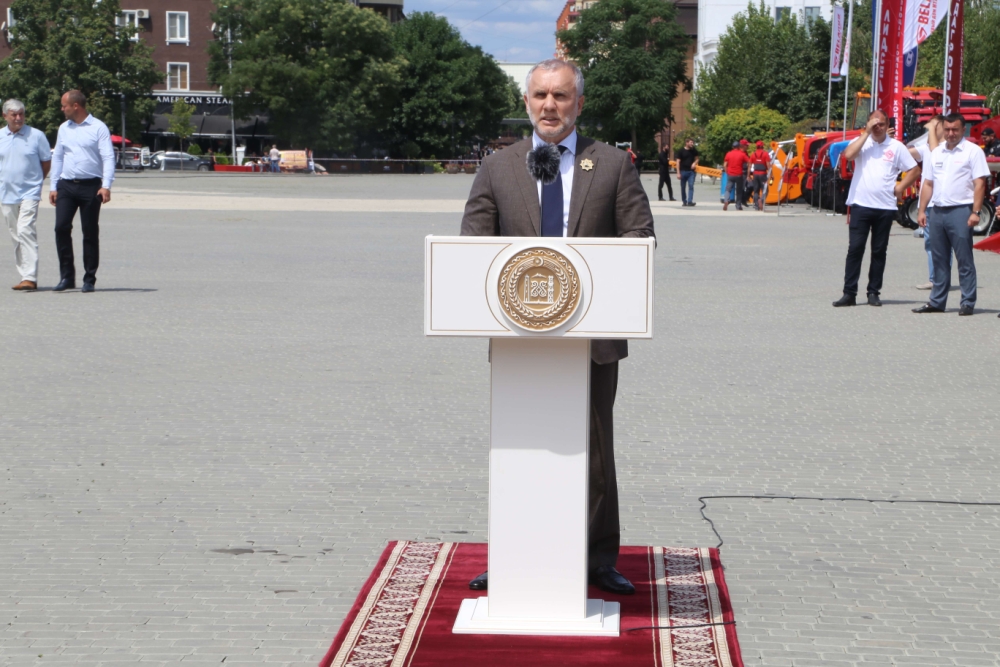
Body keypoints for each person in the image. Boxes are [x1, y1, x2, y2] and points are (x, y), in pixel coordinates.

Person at [460, 58, 654, 596]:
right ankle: (514, 555)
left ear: (579, 104)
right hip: (517, 339)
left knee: (594, 454)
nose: (550, 105)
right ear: (526, 102)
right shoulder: (498, 167)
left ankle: (596, 559)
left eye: (561, 96)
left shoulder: (612, 164)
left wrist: (588, 275)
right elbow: (472, 244)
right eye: (541, 95)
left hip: (591, 339)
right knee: (519, 449)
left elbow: (640, 238)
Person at [832, 110, 918, 307]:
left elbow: (914, 170)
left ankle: (873, 292)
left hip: (885, 206)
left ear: (887, 125)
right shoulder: (863, 142)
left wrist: (900, 188)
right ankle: (849, 293)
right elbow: (848, 155)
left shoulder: (896, 147)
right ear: (868, 124)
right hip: (861, 204)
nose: (877, 127)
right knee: (855, 249)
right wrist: (866, 133)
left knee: (879, 250)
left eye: (881, 124)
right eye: (874, 124)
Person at [913, 113, 991, 316]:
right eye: (947, 129)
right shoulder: (937, 152)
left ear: (963, 129)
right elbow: (928, 183)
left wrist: (975, 212)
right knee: (939, 259)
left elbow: (979, 184)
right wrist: (922, 210)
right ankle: (937, 301)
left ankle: (967, 302)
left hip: (961, 210)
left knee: (964, 259)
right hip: (937, 211)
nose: (950, 133)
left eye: (955, 129)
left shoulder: (973, 151)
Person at [48, 90, 115, 293]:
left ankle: (89, 279)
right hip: (66, 185)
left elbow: (108, 157)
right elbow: (58, 157)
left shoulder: (98, 127)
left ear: (75, 106)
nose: (62, 109)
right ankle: (67, 277)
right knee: (61, 228)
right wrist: (53, 186)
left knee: (90, 232)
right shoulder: (64, 128)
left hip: (91, 187)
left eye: (64, 105)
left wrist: (106, 185)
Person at [0, 99, 51, 291]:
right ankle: (24, 276)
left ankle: (30, 277)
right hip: (6, 193)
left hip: (30, 192)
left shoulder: (36, 136)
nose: (18, 118)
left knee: (25, 230)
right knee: (16, 234)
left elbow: (46, 162)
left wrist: (36, 182)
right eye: (14, 114)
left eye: (21, 114)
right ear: (5, 116)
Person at [911, 116, 944, 291]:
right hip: (928, 202)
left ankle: (939, 279)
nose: (930, 129)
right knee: (930, 242)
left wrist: (931, 128)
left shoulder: (944, 148)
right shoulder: (927, 147)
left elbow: (935, 151)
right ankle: (935, 278)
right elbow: (906, 153)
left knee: (941, 243)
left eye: (934, 125)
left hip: (941, 202)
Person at [722, 141, 750, 211]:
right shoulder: (742, 154)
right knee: (739, 191)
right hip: (739, 174)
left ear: (732, 147)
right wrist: (748, 170)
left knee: (728, 189)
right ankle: (738, 206)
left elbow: (725, 165)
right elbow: (749, 162)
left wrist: (727, 172)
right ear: (739, 147)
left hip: (730, 174)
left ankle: (726, 200)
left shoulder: (728, 154)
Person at [676, 138, 699, 206]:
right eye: (691, 142)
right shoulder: (681, 151)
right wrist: (678, 173)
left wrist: (694, 163)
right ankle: (684, 201)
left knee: (691, 186)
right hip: (683, 171)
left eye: (693, 142)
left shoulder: (694, 150)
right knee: (683, 187)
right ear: (687, 143)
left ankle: (690, 201)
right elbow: (678, 162)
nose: (692, 144)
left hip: (691, 172)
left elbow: (697, 159)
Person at [749, 140, 770, 211]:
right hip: (763, 174)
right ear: (762, 146)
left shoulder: (753, 154)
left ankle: (756, 206)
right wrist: (771, 174)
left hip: (755, 174)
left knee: (756, 191)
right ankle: (761, 200)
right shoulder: (765, 154)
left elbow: (749, 166)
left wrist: (748, 175)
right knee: (765, 190)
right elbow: (768, 165)